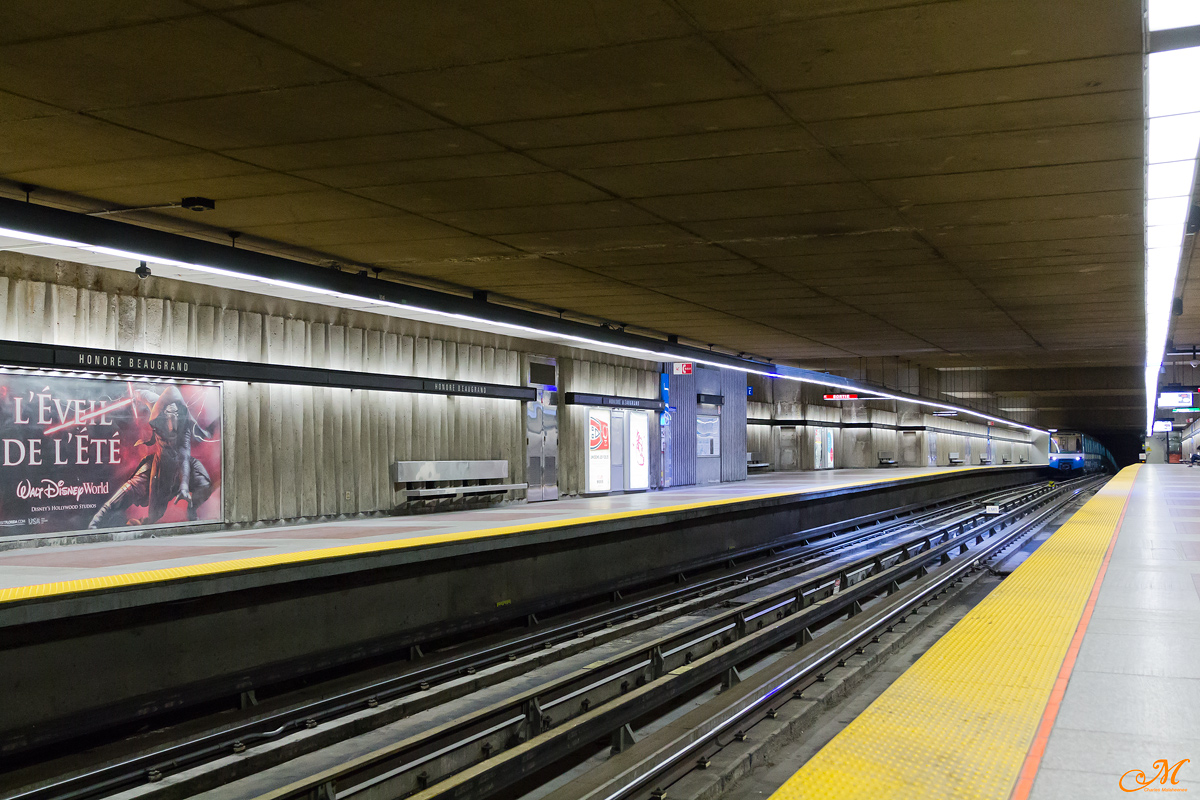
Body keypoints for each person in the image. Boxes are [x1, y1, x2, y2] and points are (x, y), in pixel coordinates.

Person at [88, 386, 215, 528]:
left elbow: (184, 455)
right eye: (168, 416)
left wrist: (184, 486)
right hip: (159, 466)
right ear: (162, 414)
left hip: (181, 465)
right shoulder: (154, 409)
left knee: (204, 484)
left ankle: (192, 512)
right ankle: (96, 522)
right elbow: (145, 394)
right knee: (140, 499)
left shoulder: (184, 425)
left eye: (175, 416)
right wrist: (135, 396)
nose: (171, 427)